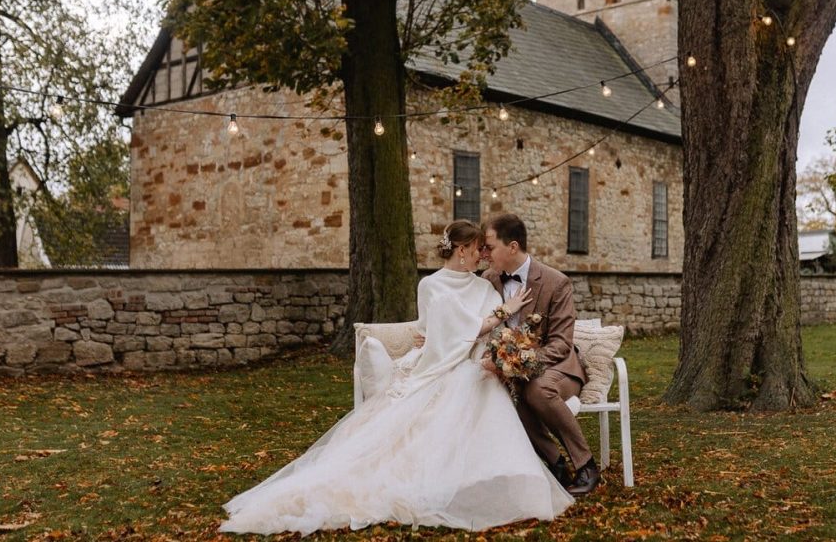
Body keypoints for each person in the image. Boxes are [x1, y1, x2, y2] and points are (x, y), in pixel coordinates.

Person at [219, 220, 573, 535]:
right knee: (448, 401)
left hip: (474, 362)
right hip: (442, 363)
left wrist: (479, 334)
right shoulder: (432, 286)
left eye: (487, 248)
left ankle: (493, 479)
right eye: (478, 248)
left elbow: (475, 334)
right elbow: (450, 328)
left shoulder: (484, 287)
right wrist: (493, 316)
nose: (483, 254)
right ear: (462, 250)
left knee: (483, 388)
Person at [481, 213, 600, 495]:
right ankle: (555, 463)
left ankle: (586, 466)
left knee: (537, 388)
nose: (484, 253)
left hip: (559, 367)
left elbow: (560, 343)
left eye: (490, 247)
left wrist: (520, 363)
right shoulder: (488, 279)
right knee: (509, 390)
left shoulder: (556, 282)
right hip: (509, 368)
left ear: (512, 247)